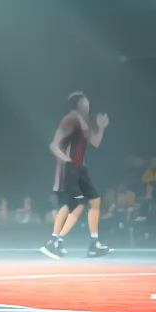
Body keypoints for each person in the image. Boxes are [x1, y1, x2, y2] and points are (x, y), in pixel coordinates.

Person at [40, 92, 110, 259]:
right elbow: (54, 145)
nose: (88, 102)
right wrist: (68, 161)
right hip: (70, 168)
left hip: (81, 168)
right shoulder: (70, 119)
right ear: (78, 104)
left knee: (94, 202)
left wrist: (101, 127)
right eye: (85, 100)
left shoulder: (83, 122)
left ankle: (93, 244)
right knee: (76, 206)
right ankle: (55, 242)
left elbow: (95, 142)